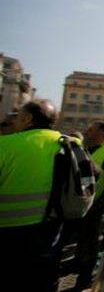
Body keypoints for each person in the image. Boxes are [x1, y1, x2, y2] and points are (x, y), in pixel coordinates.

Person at [0, 100, 65, 291]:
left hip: (8, 231)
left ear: (28, 119)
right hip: (52, 226)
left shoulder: (6, 144)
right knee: (42, 279)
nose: (14, 122)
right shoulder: (70, 143)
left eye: (18, 117)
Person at [71, 120, 104, 290]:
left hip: (95, 206)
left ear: (102, 134)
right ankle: (77, 264)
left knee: (92, 241)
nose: (86, 131)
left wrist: (100, 203)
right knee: (81, 238)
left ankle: (86, 275)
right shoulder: (83, 148)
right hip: (77, 205)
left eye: (91, 130)